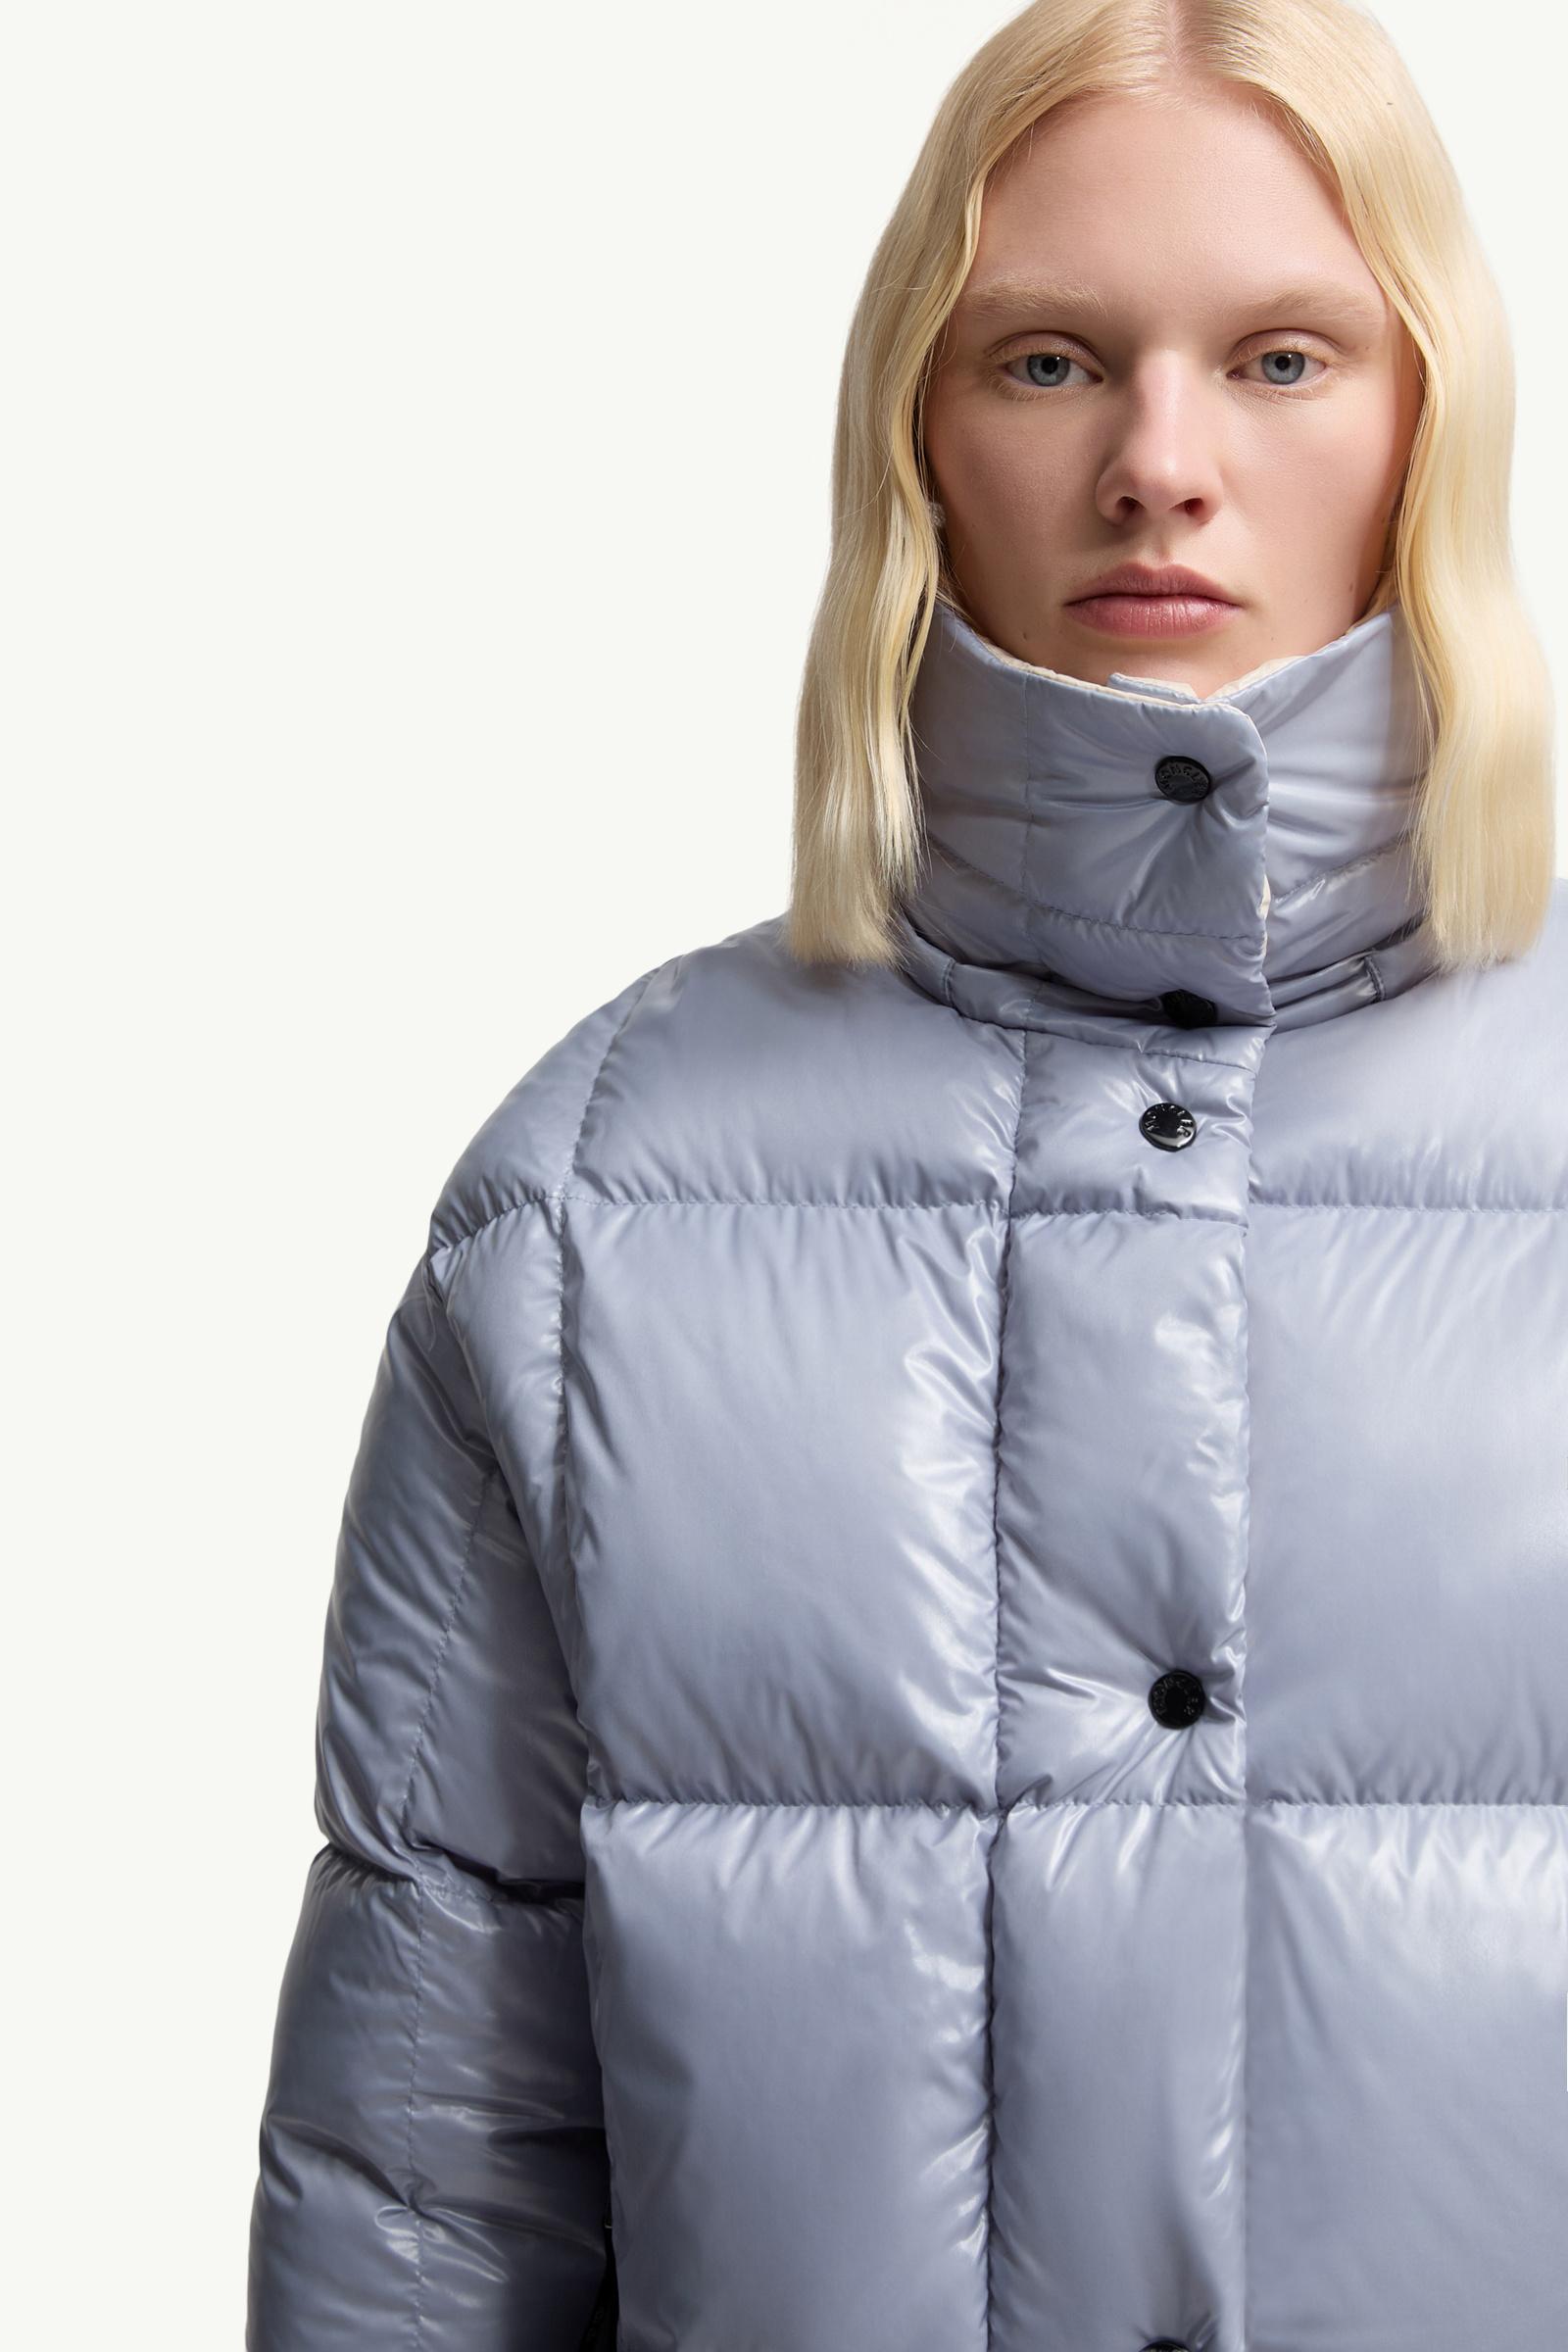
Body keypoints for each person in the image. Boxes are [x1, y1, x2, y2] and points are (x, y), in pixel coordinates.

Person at [247, 1, 1567, 2344]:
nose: (1157, 464)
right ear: (913, 438)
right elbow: (427, 2204)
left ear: (1423, 423)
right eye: (1047, 361)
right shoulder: (588, 1219)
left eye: (1278, 358)